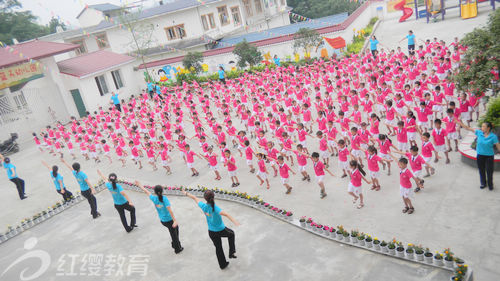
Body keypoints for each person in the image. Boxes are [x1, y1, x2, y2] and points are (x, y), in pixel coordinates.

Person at [183, 189, 239, 270]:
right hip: (221, 230)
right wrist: (235, 221)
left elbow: (194, 198)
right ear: (213, 197)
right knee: (231, 234)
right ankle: (231, 252)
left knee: (218, 248)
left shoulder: (204, 206)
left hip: (211, 232)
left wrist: (186, 193)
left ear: (205, 198)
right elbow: (226, 214)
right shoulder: (215, 208)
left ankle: (223, 265)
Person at [136, 181, 183, 254]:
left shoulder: (154, 198)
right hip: (169, 220)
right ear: (162, 191)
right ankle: (177, 249)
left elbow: (146, 191)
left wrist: (139, 185)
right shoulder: (164, 199)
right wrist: (175, 220)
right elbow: (170, 211)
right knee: (174, 234)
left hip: (163, 221)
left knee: (174, 232)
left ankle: (175, 244)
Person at [457, 120, 499, 190]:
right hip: (480, 155)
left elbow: (498, 145)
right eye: (482, 126)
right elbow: (468, 128)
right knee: (481, 170)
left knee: (489, 171)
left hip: (489, 156)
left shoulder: (493, 136)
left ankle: (490, 184)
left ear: (488, 128)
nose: (481, 127)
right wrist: (460, 123)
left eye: (483, 126)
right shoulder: (479, 133)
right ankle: (483, 183)